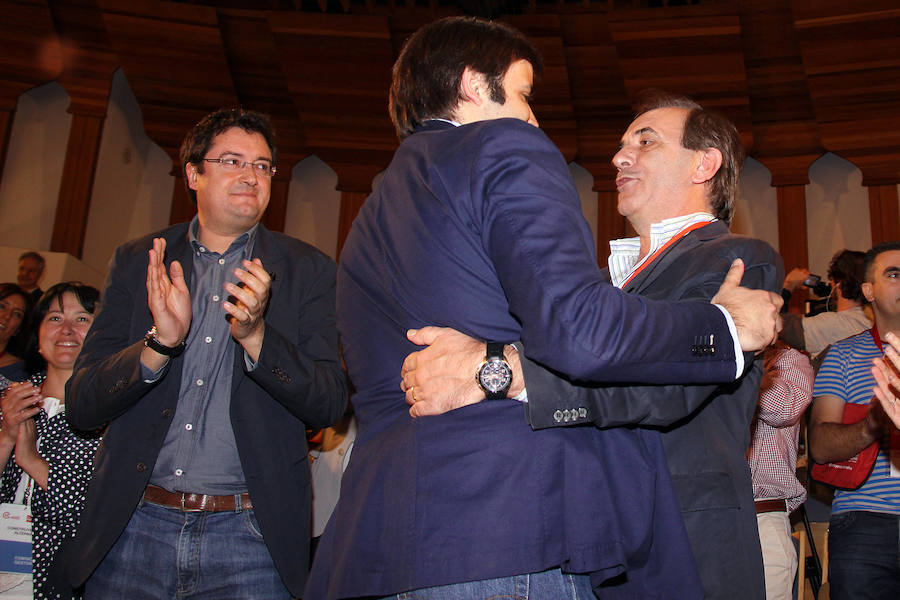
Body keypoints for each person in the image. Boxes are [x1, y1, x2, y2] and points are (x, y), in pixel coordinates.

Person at [306, 17, 780, 600]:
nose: (617, 155)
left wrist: (496, 369)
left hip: (399, 535)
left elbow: (656, 387)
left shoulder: (376, 209)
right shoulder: (517, 173)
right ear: (477, 86)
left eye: (645, 140)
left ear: (704, 164)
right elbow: (583, 333)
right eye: (526, 95)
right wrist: (723, 326)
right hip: (517, 521)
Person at [60, 108, 348, 599]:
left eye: (262, 166)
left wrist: (257, 336)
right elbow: (83, 404)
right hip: (133, 527)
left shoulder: (308, 271)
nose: (250, 175)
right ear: (194, 172)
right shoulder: (139, 261)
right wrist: (160, 344)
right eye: (233, 160)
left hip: (251, 538)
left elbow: (328, 403)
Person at [809, 241, 900, 599]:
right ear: (868, 291)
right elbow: (819, 446)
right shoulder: (844, 355)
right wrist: (874, 423)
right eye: (894, 274)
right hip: (866, 520)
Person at [0, 283, 101, 599]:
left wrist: (31, 459)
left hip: (61, 578)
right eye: (55, 318)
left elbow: (93, 518)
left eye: (82, 319)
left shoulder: (112, 415)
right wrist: (6, 436)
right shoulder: (10, 398)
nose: (67, 330)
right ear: (38, 336)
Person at [748, 343, 813, 600]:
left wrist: (745, 371)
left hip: (762, 513)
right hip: (708, 511)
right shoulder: (707, 355)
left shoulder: (788, 360)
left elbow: (785, 410)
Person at [781, 250, 871, 358]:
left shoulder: (833, 324)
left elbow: (779, 323)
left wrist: (788, 285)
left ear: (838, 285)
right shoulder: (872, 320)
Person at [0, 283, 31, 380]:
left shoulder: (17, 373)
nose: (7, 316)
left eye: (17, 314)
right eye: (2, 306)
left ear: (18, 329)